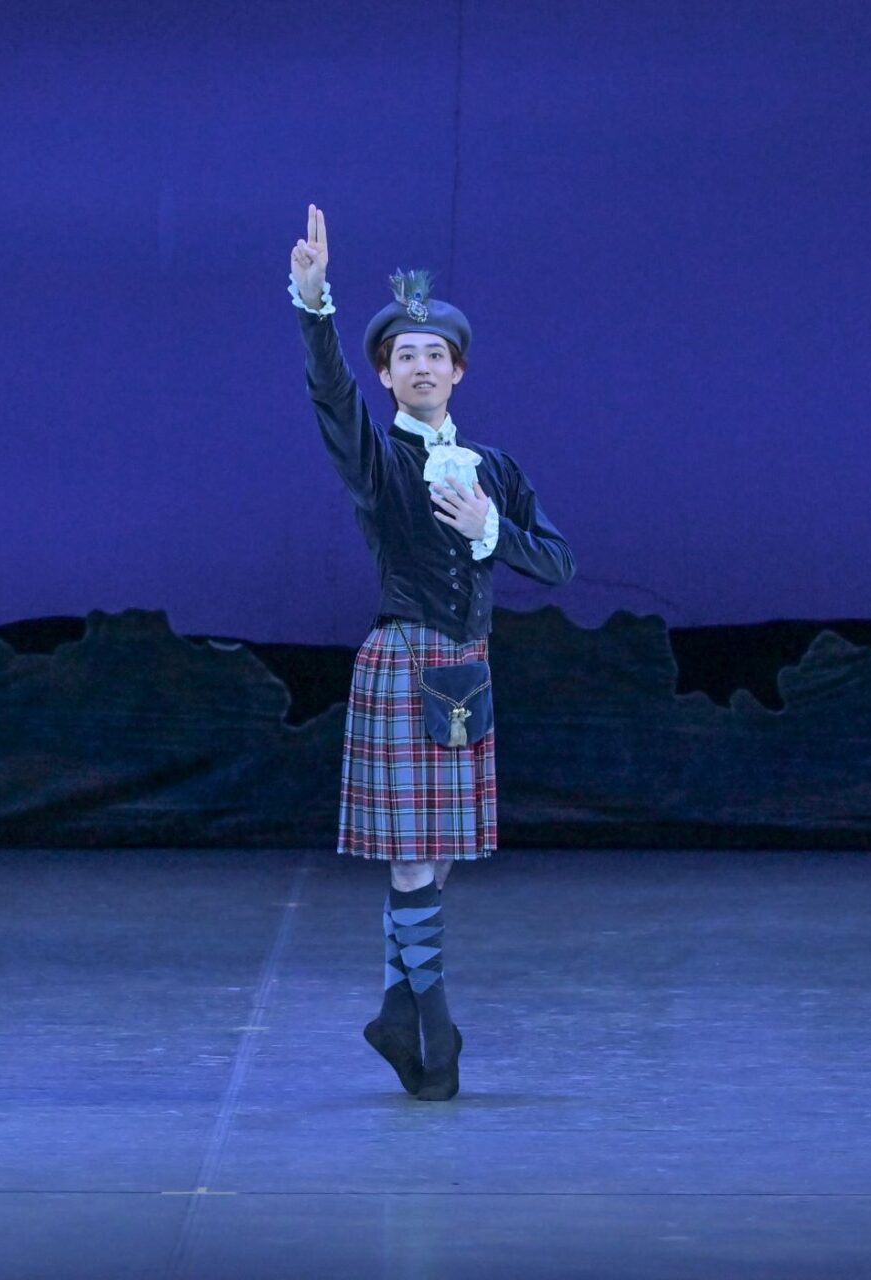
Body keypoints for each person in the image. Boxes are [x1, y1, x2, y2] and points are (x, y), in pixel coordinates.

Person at [289, 206, 574, 1101]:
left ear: (458, 371)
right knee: (413, 861)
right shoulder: (378, 460)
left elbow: (559, 563)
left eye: (435, 355)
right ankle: (438, 1032)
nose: (421, 366)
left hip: (466, 672)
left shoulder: (494, 467)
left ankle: (393, 1012)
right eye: (404, 355)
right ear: (386, 373)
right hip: (403, 659)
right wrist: (314, 309)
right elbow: (332, 401)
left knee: (434, 863)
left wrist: (493, 529)